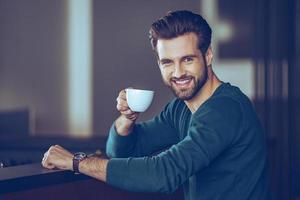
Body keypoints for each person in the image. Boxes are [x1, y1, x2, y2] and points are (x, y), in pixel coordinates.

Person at [42, 10, 270, 200]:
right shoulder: (180, 108)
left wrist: (76, 162)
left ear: (208, 55)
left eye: (188, 59)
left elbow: (163, 174)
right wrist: (126, 119)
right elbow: (120, 152)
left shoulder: (225, 109)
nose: (178, 72)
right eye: (168, 62)